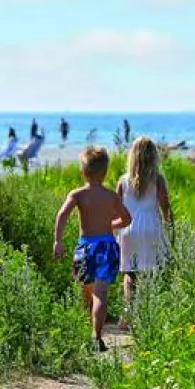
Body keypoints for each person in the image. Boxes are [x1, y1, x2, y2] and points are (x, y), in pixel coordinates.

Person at [52, 147, 132, 353]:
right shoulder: (110, 196)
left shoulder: (78, 194)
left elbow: (61, 215)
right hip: (106, 247)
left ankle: (85, 333)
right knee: (100, 294)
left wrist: (58, 241)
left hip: (86, 247)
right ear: (104, 173)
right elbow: (127, 219)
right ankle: (96, 337)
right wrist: (110, 224)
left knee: (86, 292)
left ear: (82, 171)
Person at [115, 138, 173, 331]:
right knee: (149, 273)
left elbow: (116, 209)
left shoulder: (123, 181)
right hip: (151, 229)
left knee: (130, 274)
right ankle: (146, 316)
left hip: (128, 230)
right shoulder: (158, 179)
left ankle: (126, 316)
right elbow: (165, 208)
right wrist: (171, 229)